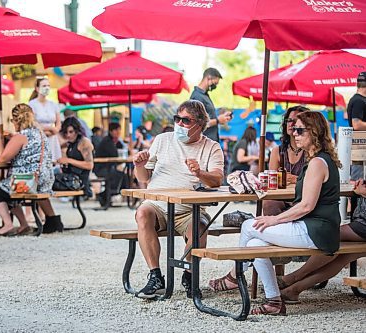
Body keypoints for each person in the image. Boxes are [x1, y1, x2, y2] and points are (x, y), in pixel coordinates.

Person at [209, 111, 342, 315]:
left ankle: (235, 276)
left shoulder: (316, 163)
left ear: (314, 132)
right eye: (294, 129)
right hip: (315, 229)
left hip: (316, 230)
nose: (294, 134)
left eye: (299, 130)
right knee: (255, 245)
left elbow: (306, 206)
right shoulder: (318, 160)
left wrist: (275, 219)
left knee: (248, 225)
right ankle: (274, 301)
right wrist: (274, 220)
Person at [132, 100, 224, 299]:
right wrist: (139, 165)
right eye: (177, 119)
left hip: (190, 209)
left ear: (199, 125)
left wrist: (200, 173)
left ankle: (189, 274)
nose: (179, 124)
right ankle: (155, 276)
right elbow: (144, 178)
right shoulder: (163, 139)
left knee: (200, 227)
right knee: (142, 213)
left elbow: (217, 179)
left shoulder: (211, 147)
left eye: (186, 121)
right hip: (158, 205)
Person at [276, 178, 366, 304]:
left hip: (363, 226)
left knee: (329, 236)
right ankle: (294, 289)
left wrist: (363, 191)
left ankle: (294, 277)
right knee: (342, 257)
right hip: (361, 223)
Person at [0, 103, 62, 235]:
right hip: (45, 178)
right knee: (8, 189)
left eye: (12, 120)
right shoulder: (40, 134)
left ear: (16, 120)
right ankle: (24, 225)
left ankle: (8, 225)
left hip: (28, 181)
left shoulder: (20, 137)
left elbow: (2, 158)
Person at [263, 105, 309, 216]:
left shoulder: (310, 150)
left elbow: (313, 182)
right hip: (282, 198)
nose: (291, 124)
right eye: (288, 120)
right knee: (268, 203)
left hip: (305, 199)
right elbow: (272, 182)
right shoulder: (277, 151)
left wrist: (294, 179)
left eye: (295, 120)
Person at [190, 67, 232, 142]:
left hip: (210, 141)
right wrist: (218, 120)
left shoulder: (205, 96)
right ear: (208, 78)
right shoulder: (197, 97)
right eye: (215, 83)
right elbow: (197, 123)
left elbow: (208, 118)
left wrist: (222, 118)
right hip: (203, 143)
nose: (215, 86)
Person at [94, 122, 129, 206]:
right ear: (111, 131)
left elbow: (121, 150)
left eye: (119, 131)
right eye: (116, 131)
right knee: (121, 177)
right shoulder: (107, 141)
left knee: (123, 176)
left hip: (109, 167)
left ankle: (105, 196)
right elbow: (115, 154)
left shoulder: (115, 141)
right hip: (101, 168)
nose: (118, 133)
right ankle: (104, 196)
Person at [58, 117, 94, 198]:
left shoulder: (84, 142)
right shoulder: (70, 143)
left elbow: (89, 165)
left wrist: (69, 160)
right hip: (70, 177)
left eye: (71, 132)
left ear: (77, 131)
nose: (68, 135)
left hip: (80, 181)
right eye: (66, 132)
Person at [28, 77, 62, 163]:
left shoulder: (53, 104)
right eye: (44, 86)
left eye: (48, 86)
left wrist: (55, 130)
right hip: (38, 137)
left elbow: (58, 123)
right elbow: (32, 123)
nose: (46, 88)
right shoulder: (32, 104)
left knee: (52, 163)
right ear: (37, 88)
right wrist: (50, 129)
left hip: (52, 138)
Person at [347, 71, 366, 181]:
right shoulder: (359, 100)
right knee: (359, 179)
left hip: (360, 144)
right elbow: (357, 124)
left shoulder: (358, 99)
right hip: (360, 144)